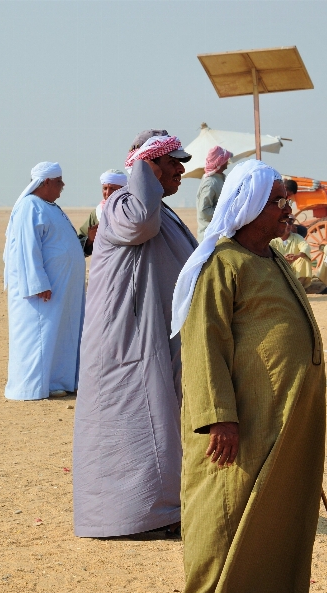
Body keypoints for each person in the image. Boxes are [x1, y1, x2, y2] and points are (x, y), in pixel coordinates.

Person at [171, 159, 327, 593]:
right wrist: (218, 416)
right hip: (240, 418)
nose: (286, 210)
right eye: (276, 203)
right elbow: (203, 346)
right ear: (248, 209)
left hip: (285, 417)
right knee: (229, 508)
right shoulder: (221, 265)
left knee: (282, 508)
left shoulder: (270, 257)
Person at [72, 130, 197, 538]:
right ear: (149, 166)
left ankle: (158, 512)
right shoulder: (126, 205)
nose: (181, 170)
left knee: (158, 421)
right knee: (131, 422)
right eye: (172, 162)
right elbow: (141, 225)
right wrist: (139, 168)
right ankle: (130, 519)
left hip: (151, 336)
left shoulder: (159, 206)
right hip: (124, 343)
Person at [3, 162, 86, 400]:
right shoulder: (30, 207)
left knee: (57, 336)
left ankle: (55, 381)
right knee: (38, 337)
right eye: (59, 181)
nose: (63, 185)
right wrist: (38, 283)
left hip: (59, 290)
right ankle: (32, 388)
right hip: (42, 291)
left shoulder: (49, 207)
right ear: (46, 182)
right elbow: (27, 250)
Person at [78, 169, 127, 256]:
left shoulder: (131, 210)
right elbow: (79, 246)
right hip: (103, 264)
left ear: (122, 189)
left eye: (112, 188)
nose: (107, 193)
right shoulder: (97, 213)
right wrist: (89, 240)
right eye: (105, 188)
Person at [196, 146, 233, 242]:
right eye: (225, 159)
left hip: (220, 236)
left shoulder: (220, 179)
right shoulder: (210, 182)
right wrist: (226, 214)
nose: (228, 161)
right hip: (210, 238)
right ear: (220, 162)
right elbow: (204, 211)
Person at [270, 219, 313, 289]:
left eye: (290, 223)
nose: (287, 225)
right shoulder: (272, 239)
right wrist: (281, 258)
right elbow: (267, 252)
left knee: (304, 260)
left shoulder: (297, 237)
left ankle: (298, 287)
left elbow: (305, 246)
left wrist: (297, 256)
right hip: (279, 266)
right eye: (285, 223)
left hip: (294, 266)